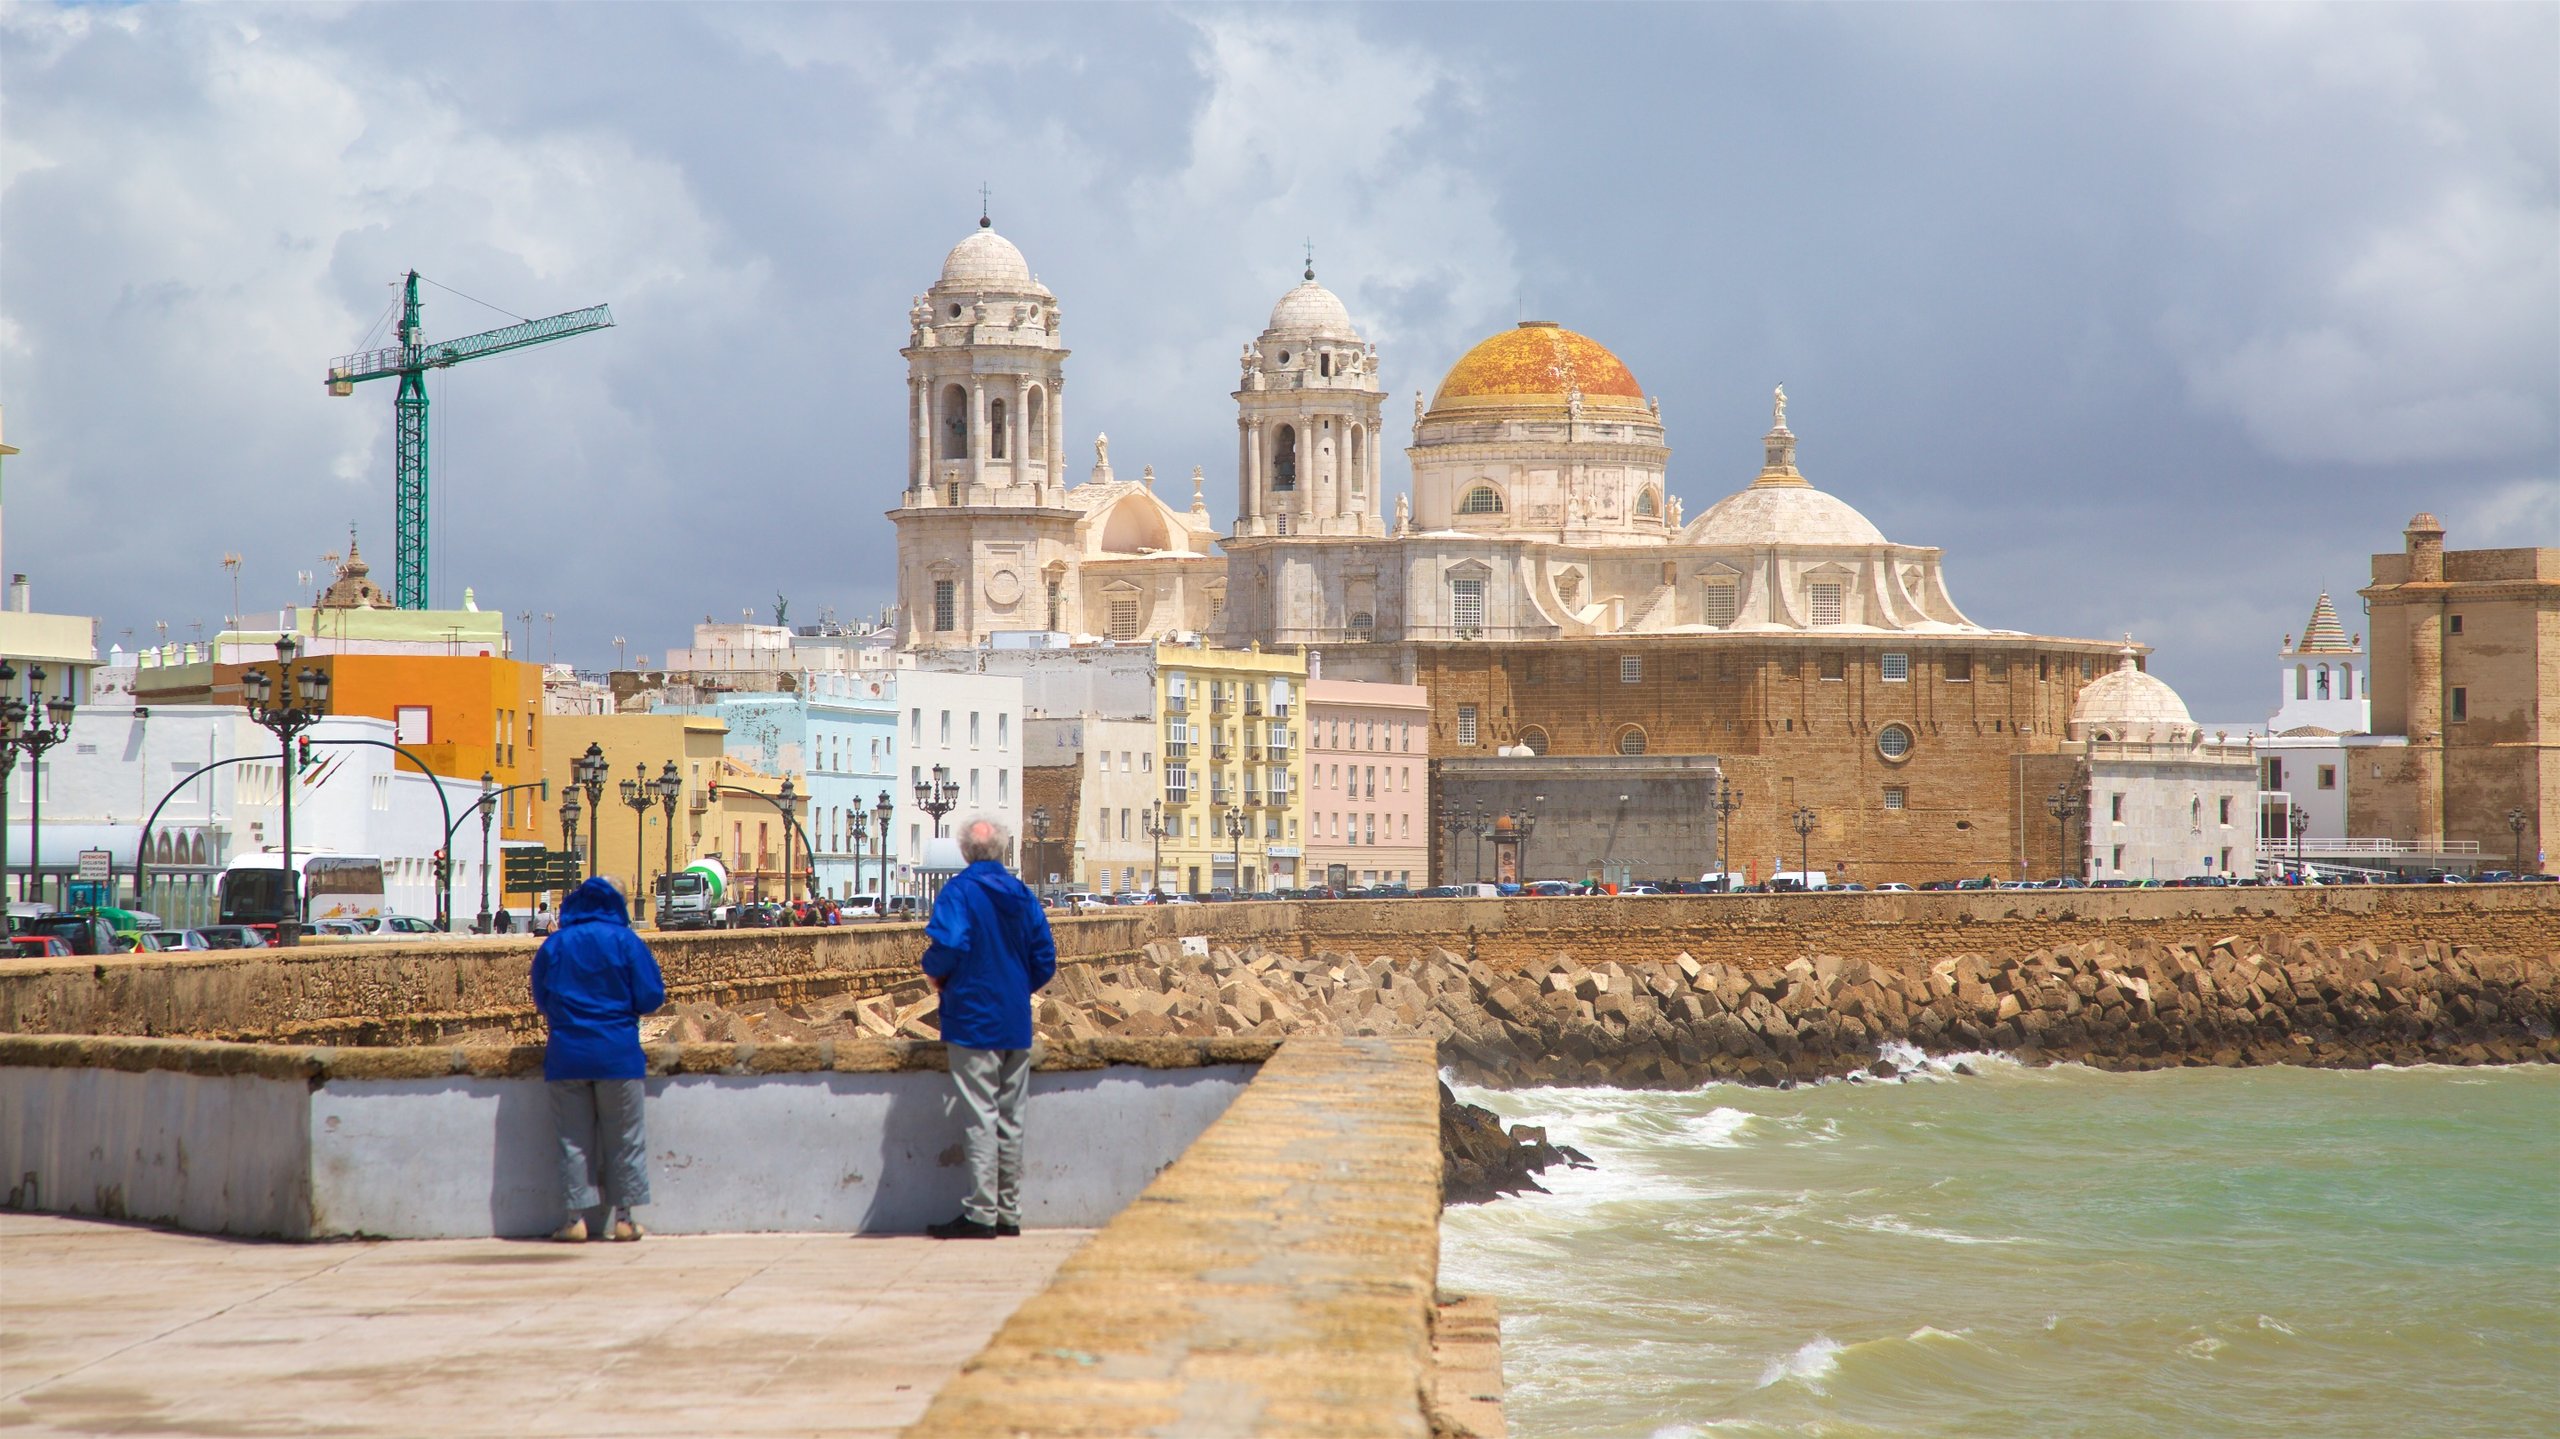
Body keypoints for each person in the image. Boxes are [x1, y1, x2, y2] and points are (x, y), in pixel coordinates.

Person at [920, 817, 1056, 1239]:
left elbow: (952, 944)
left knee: (981, 1115)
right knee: (1011, 1118)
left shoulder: (958, 891)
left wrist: (935, 973)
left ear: (965, 852)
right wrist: (1015, 988)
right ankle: (1008, 1212)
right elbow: (1044, 958)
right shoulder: (1022, 894)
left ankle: (981, 1212)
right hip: (1014, 1019)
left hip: (972, 1017)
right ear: (1002, 850)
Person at [530, 877, 667, 1243]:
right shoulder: (627, 942)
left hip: (567, 1054)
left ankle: (574, 1219)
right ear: (618, 904)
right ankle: (624, 1218)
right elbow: (652, 995)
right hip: (617, 1054)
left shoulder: (556, 944)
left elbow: (542, 998)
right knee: (625, 1138)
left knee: (572, 1140)